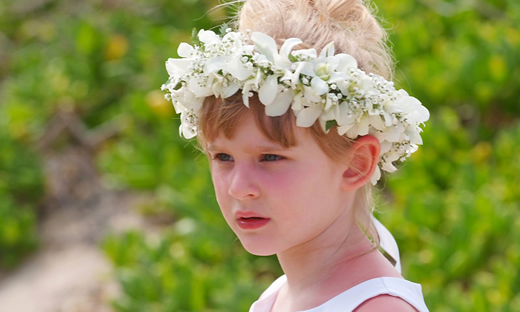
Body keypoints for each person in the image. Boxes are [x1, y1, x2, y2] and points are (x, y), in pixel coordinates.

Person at [162, 0, 430, 311]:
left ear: (356, 165)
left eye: (270, 158)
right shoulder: (277, 296)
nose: (238, 187)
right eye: (223, 157)